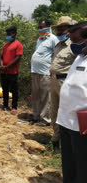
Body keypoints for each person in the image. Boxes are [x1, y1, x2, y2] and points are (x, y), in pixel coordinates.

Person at [56, 21, 87, 183]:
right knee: (68, 164)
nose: (72, 45)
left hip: (82, 125)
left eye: (75, 41)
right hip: (66, 120)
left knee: (82, 167)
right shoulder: (80, 57)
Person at [50, 16, 77, 151]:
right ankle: (56, 139)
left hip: (65, 82)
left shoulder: (74, 46)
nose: (60, 31)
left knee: (65, 112)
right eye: (59, 28)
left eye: (63, 28)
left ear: (70, 30)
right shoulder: (58, 45)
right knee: (54, 111)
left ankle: (66, 143)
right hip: (54, 81)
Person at [30, 19, 59, 125]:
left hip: (45, 72)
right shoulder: (40, 39)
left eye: (41, 27)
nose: (39, 29)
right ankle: (36, 115)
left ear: (48, 27)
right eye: (39, 27)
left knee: (45, 96)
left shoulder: (53, 39)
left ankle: (46, 119)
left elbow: (56, 55)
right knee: (36, 95)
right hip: (35, 71)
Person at [0, 26, 23, 112]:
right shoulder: (5, 45)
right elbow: (1, 56)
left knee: (14, 90)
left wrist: (7, 66)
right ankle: (5, 105)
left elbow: (17, 58)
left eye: (9, 34)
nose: (8, 36)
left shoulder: (18, 44)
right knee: (4, 89)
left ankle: (14, 107)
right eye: (7, 34)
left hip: (13, 71)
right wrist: (2, 65)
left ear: (14, 34)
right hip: (3, 71)